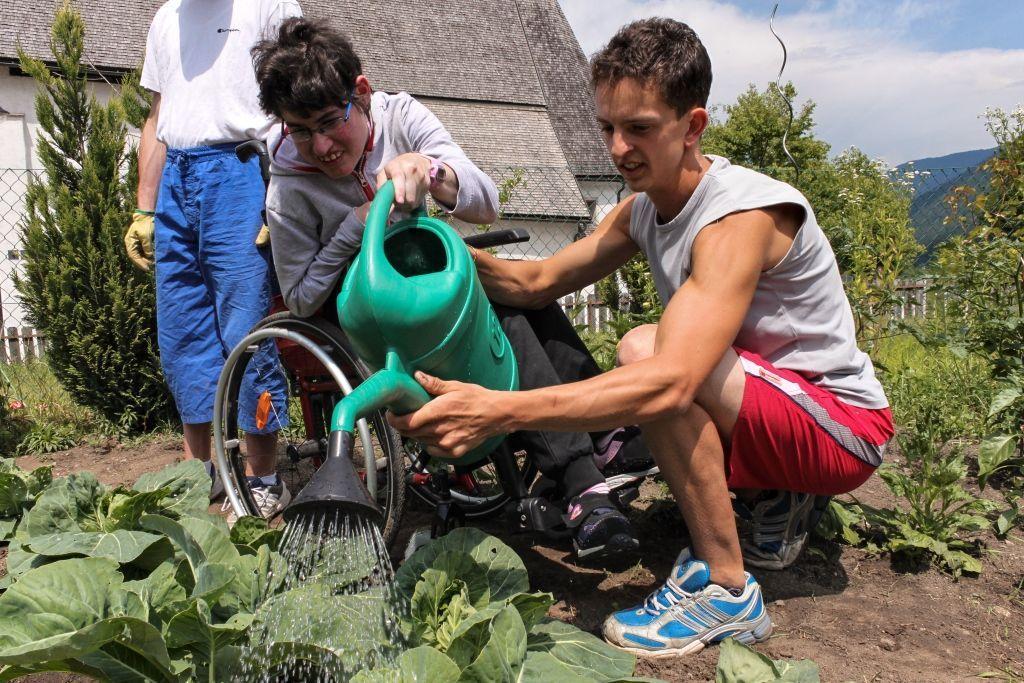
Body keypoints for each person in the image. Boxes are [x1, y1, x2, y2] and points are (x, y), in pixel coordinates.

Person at [388, 18, 894, 657]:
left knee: (658, 361)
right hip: (777, 403)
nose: (619, 147)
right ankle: (778, 499)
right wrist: (436, 253)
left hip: (843, 430)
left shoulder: (737, 218)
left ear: (693, 126)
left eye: (641, 128)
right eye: (607, 127)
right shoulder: (645, 206)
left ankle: (727, 591)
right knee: (646, 346)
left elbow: (674, 382)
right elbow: (538, 280)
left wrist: (499, 408)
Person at [250, 18, 653, 564]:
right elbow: (299, 297)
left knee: (518, 290)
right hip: (366, 325)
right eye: (300, 130)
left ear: (361, 93)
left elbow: (486, 203)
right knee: (488, 310)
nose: (319, 145)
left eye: (329, 121)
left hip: (432, 288)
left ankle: (599, 434)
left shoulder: (402, 117)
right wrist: (358, 223)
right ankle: (583, 479)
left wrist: (434, 171)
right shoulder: (289, 188)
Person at [125, 0, 302, 518]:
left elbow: (295, 101)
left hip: (242, 173)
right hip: (177, 179)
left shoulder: (267, 6)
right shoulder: (166, 19)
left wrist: (284, 189)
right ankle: (196, 480)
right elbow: (158, 117)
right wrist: (144, 206)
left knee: (247, 334)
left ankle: (263, 481)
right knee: (182, 337)